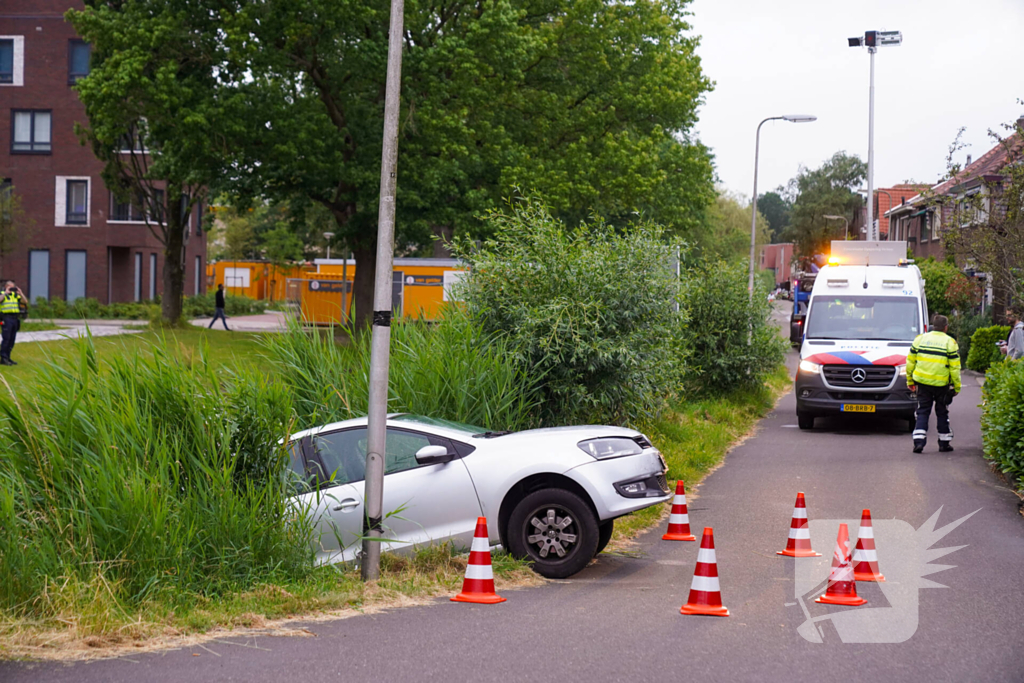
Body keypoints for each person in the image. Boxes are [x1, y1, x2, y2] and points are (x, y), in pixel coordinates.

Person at [906, 314, 961, 453]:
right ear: (946, 327)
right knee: (942, 412)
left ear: (933, 326)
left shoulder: (920, 339)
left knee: (923, 411)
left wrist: (910, 380)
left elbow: (910, 361)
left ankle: (919, 442)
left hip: (923, 383)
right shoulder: (950, 342)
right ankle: (944, 443)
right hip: (941, 384)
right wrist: (956, 386)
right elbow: (955, 367)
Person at [0, 281, 26, 366]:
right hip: (6, 318)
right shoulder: (2, 293)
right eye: (10, 287)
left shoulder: (15, 295)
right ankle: (3, 358)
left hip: (15, 318)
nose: (12, 289)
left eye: (13, 287)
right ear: (6, 287)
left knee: (12, 339)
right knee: (6, 339)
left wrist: (21, 293)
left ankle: (8, 357)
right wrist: (5, 293)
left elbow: (25, 302)